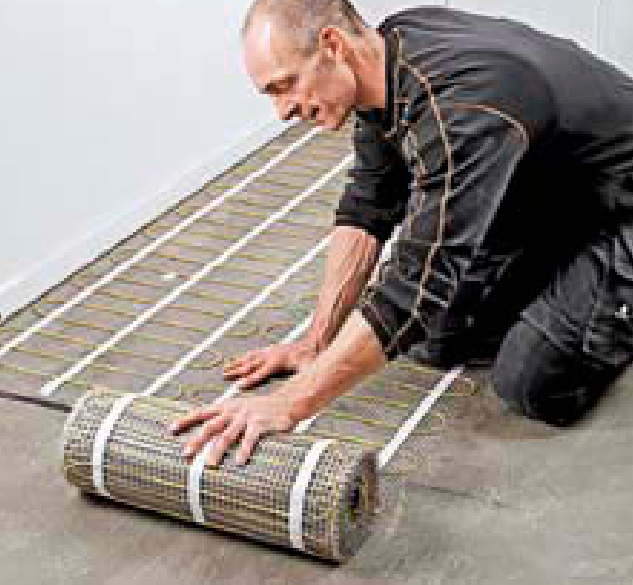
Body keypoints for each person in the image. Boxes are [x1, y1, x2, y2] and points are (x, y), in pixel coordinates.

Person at [169, 1, 633, 465]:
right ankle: (575, 272)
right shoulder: (387, 58)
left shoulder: (463, 105)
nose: (282, 111)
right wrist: (315, 341)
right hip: (567, 192)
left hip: (623, 208)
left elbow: (417, 284)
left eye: (284, 85)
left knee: (532, 381)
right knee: (437, 338)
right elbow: (370, 202)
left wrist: (288, 404)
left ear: (332, 45)